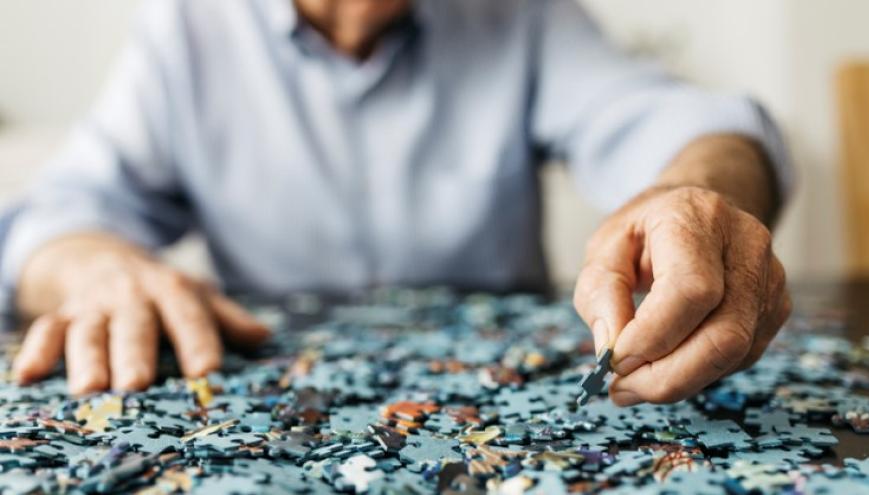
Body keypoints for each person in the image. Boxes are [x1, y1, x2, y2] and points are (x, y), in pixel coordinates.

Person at [2, 0, 792, 406]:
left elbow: (697, 129)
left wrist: (700, 195)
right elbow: (56, 217)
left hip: (501, 417)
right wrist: (94, 269)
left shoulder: (520, 14)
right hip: (274, 401)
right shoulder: (188, 28)